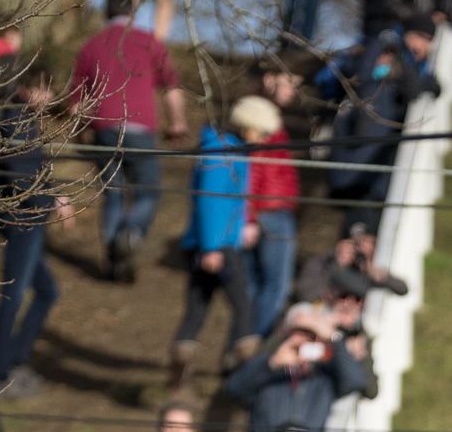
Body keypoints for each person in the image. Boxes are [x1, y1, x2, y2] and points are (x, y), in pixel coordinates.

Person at [67, 0, 185, 284]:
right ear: (132, 14)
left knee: (113, 193)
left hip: (104, 129)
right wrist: (178, 122)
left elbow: (75, 101)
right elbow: (171, 86)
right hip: (139, 127)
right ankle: (130, 234)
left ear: (105, 14)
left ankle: (113, 261)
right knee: (147, 191)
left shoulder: (90, 46)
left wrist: (78, 132)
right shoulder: (148, 42)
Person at [0, 68, 74, 393]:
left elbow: (37, 171)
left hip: (32, 220)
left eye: (50, 93)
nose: (47, 99)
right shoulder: (16, 122)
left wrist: (52, 192)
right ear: (24, 89)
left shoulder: (26, 120)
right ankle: (0, 372)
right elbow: (21, 178)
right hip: (22, 220)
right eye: (43, 92)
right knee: (14, 294)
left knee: (47, 291)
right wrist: (54, 198)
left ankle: (15, 359)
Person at [168, 109, 254, 387]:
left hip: (207, 242)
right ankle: (247, 371)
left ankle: (179, 376)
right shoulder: (223, 152)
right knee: (242, 303)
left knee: (197, 305)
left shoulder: (223, 148)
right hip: (218, 245)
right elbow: (211, 201)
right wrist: (212, 248)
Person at [315, 15, 437, 202]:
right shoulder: (382, 49)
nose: (422, 45)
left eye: (428, 40)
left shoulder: (409, 66)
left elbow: (415, 87)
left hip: (370, 165)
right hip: (356, 159)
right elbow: (364, 76)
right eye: (420, 36)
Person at [223, 308, 372, 432]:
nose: (306, 340)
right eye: (301, 332)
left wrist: (334, 336)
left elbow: (356, 381)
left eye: (314, 335)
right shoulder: (268, 367)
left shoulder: (326, 376)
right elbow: (232, 389)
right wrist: (272, 364)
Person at [235, 89, 301, 337]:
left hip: (260, 215)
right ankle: (254, 345)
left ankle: (240, 342)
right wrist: (251, 219)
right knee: (276, 286)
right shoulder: (265, 134)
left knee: (253, 285)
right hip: (273, 213)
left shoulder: (265, 130)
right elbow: (256, 176)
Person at [293, 213, 406, 309]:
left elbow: (403, 289)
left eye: (369, 243)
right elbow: (306, 298)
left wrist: (375, 273)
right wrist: (337, 266)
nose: (360, 250)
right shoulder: (322, 263)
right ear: (343, 243)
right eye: (355, 244)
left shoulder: (367, 270)